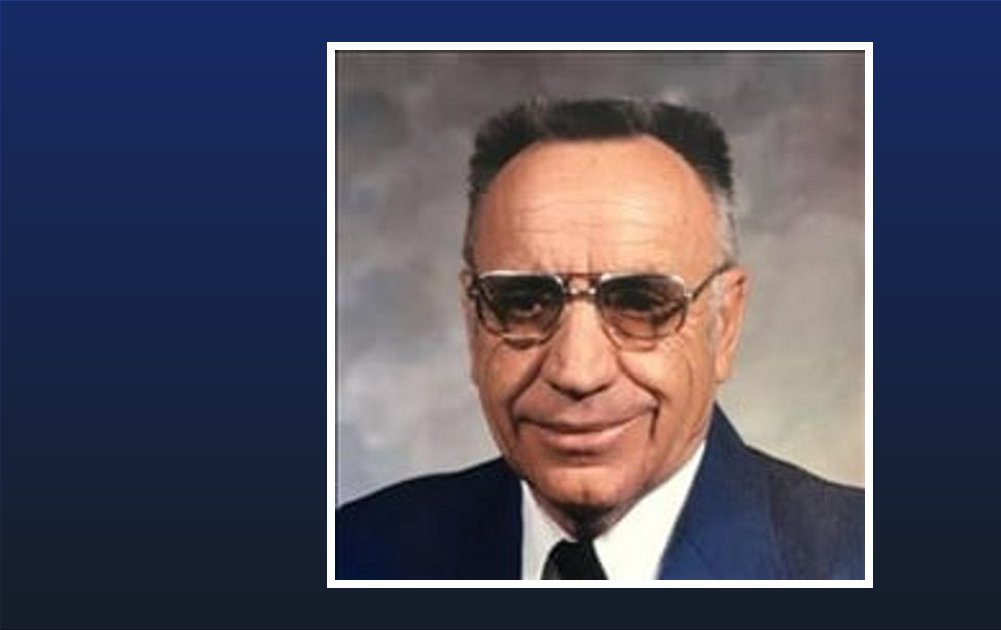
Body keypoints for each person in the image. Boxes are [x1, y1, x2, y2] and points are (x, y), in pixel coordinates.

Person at [336, 98, 864, 580]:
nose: (577, 371)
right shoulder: (357, 552)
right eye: (525, 302)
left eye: (640, 303)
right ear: (474, 325)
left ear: (724, 325)